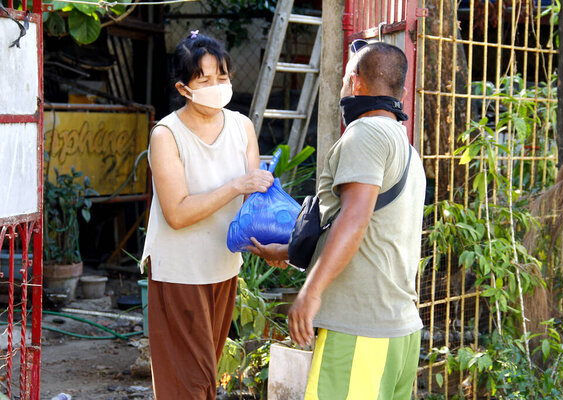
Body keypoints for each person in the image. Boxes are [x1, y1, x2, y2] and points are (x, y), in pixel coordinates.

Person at [249, 41, 425, 399]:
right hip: (397, 330)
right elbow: (370, 229)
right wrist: (286, 250)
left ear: (354, 81)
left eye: (346, 78)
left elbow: (356, 221)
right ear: (401, 91)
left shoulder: (365, 135)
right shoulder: (405, 148)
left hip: (360, 329)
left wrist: (310, 293)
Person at [140, 32, 274, 399]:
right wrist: (235, 186)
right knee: (191, 385)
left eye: (223, 77)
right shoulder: (167, 134)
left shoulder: (242, 127)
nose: (217, 86)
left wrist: (275, 247)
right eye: (205, 80)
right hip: (179, 272)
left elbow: (251, 208)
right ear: (184, 89)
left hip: (223, 268)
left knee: (202, 380)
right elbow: (177, 214)